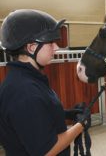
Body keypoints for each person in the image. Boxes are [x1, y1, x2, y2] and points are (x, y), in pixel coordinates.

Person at [0, 9, 91, 156]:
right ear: (31, 47)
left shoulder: (27, 80)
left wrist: (67, 113)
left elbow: (38, 116)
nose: (56, 48)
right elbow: (47, 150)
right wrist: (80, 125)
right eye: (50, 43)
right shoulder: (24, 92)